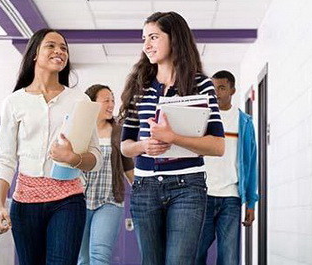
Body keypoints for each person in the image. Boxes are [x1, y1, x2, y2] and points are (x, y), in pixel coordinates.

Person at [119, 12, 225, 265]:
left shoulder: (202, 85)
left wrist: (173, 137)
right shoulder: (139, 86)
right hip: (145, 189)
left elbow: (218, 145)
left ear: (174, 38)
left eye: (154, 37)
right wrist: (144, 145)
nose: (146, 45)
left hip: (188, 188)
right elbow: (125, 146)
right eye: (144, 38)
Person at [0, 28, 102, 265]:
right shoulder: (14, 102)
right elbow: (5, 159)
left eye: (63, 48)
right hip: (25, 203)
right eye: (51, 46)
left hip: (68, 200)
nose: (59, 51)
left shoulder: (79, 100)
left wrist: (73, 158)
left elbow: (95, 157)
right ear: (34, 53)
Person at [196, 70, 258, 265]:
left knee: (229, 258)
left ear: (233, 90)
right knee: (195, 255)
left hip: (231, 198)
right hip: (202, 196)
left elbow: (251, 163)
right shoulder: (202, 119)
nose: (216, 93)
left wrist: (251, 202)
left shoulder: (245, 123)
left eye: (222, 88)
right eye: (213, 89)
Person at [77, 84, 134, 265]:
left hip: (110, 200)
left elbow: (127, 167)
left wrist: (143, 190)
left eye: (112, 100)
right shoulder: (79, 129)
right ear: (92, 104)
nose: (111, 104)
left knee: (99, 256)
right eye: (106, 101)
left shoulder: (119, 130)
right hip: (79, 200)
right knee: (82, 258)